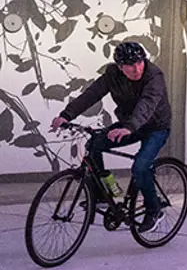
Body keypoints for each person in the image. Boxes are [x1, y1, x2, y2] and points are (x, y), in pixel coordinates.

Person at [51, 42, 173, 233]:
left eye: (139, 62)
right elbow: (92, 94)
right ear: (119, 66)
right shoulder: (112, 75)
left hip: (155, 128)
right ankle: (101, 194)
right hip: (129, 125)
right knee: (94, 145)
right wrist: (66, 115)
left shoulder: (153, 76)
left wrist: (130, 127)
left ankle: (154, 209)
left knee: (140, 167)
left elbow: (147, 103)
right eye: (130, 65)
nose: (136, 68)